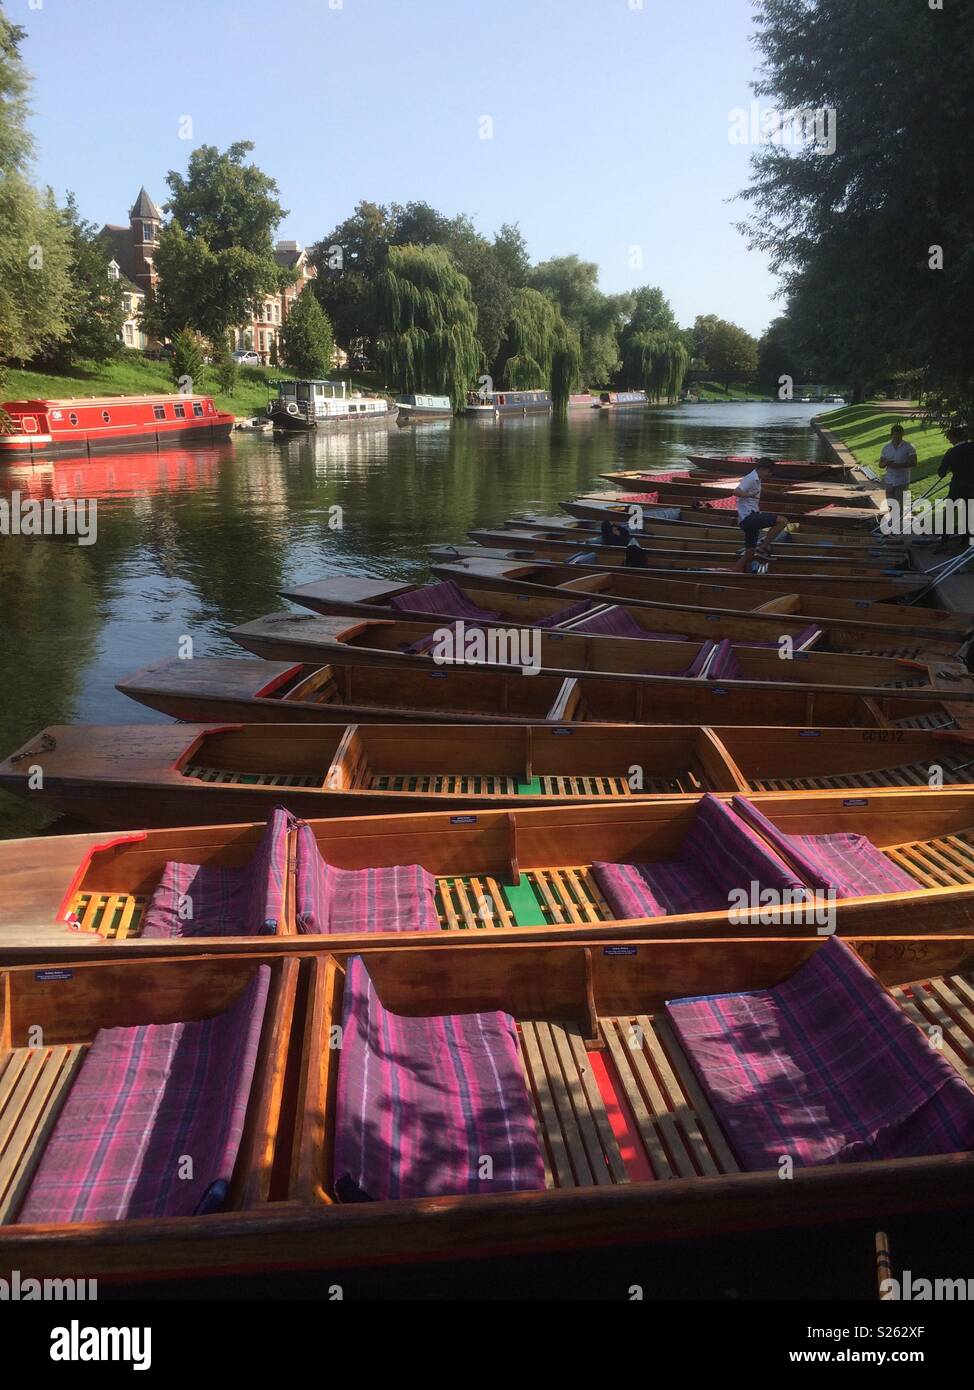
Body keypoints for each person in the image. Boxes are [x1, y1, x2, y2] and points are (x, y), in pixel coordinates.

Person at [732, 457, 789, 571]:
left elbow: (760, 490)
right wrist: (748, 495)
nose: (770, 475)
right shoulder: (751, 479)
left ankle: (733, 571)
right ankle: (762, 548)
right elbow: (736, 491)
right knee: (782, 521)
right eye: (769, 472)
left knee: (749, 554)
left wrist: (777, 493)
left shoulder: (757, 479)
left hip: (747, 520)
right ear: (762, 469)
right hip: (749, 518)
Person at [936, 426, 974, 552]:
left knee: (950, 513)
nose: (949, 441)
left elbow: (941, 472)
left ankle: (944, 540)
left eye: (949, 438)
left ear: (954, 438)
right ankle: (965, 541)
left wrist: (950, 468)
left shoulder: (951, 452)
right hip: (971, 487)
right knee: (968, 513)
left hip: (957, 487)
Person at [880, 424, 917, 537]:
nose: (897, 437)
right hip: (890, 478)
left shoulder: (909, 447)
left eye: (900, 434)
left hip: (902, 478)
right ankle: (892, 519)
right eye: (895, 434)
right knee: (891, 501)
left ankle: (898, 525)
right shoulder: (886, 448)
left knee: (900, 501)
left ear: (902, 434)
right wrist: (887, 463)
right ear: (892, 435)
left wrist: (899, 465)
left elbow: (913, 462)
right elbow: (881, 464)